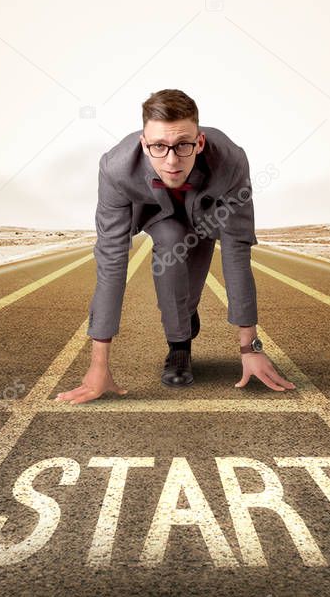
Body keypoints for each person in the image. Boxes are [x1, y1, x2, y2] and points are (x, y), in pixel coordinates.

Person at [56, 89, 295, 404]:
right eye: (158, 146)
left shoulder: (232, 160)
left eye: (183, 145)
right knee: (169, 248)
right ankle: (179, 347)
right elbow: (112, 262)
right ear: (144, 144)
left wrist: (249, 347)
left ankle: (185, 313)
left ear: (200, 142)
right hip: (158, 217)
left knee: (185, 299)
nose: (171, 161)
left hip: (207, 219)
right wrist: (98, 365)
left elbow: (237, 250)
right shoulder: (115, 168)